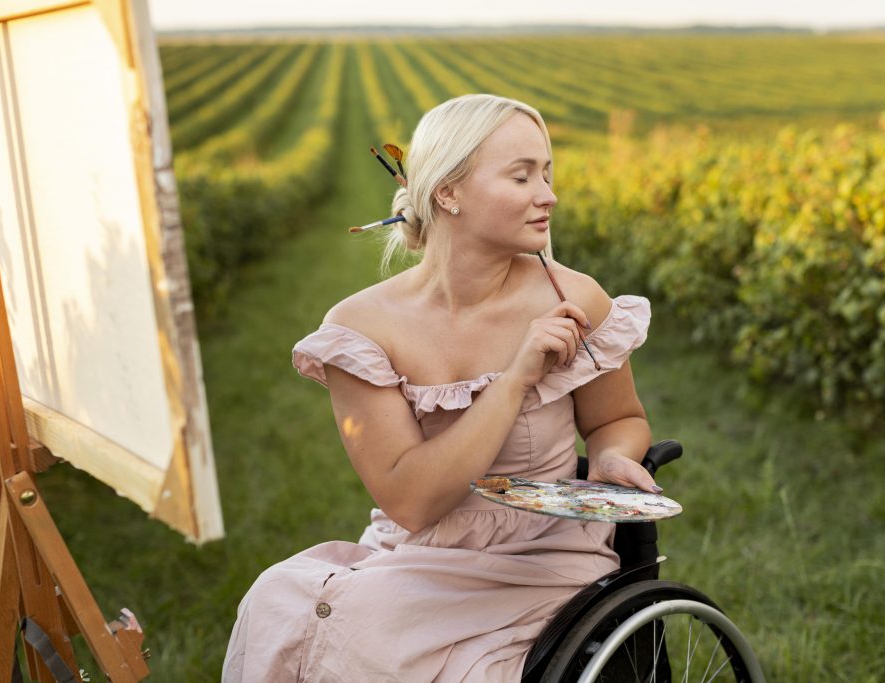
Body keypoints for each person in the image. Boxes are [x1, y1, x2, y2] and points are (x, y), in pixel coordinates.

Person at [222, 94, 657, 682]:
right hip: (417, 551)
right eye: (522, 176)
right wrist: (516, 379)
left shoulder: (574, 298)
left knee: (365, 635)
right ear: (449, 193)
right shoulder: (360, 329)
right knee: (276, 600)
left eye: (547, 174)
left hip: (540, 559)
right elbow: (413, 502)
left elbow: (617, 419)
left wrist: (610, 457)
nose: (548, 195)